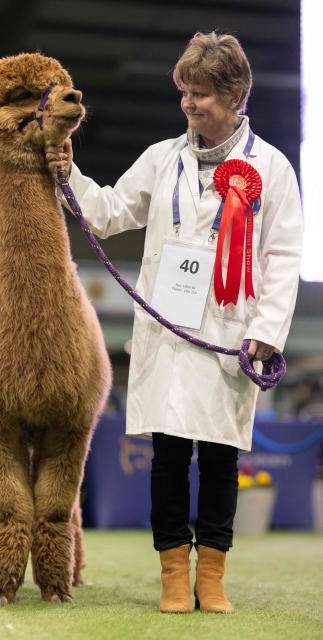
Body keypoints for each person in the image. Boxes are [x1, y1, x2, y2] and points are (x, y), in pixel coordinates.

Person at [46, 32, 302, 614]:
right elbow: (110, 212)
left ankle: (210, 577)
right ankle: (170, 576)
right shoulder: (164, 159)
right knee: (168, 456)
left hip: (230, 334)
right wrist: (69, 173)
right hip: (167, 329)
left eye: (203, 93)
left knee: (218, 458)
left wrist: (267, 328)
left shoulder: (273, 170)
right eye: (185, 91)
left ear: (236, 95)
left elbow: (284, 255)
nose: (189, 103)